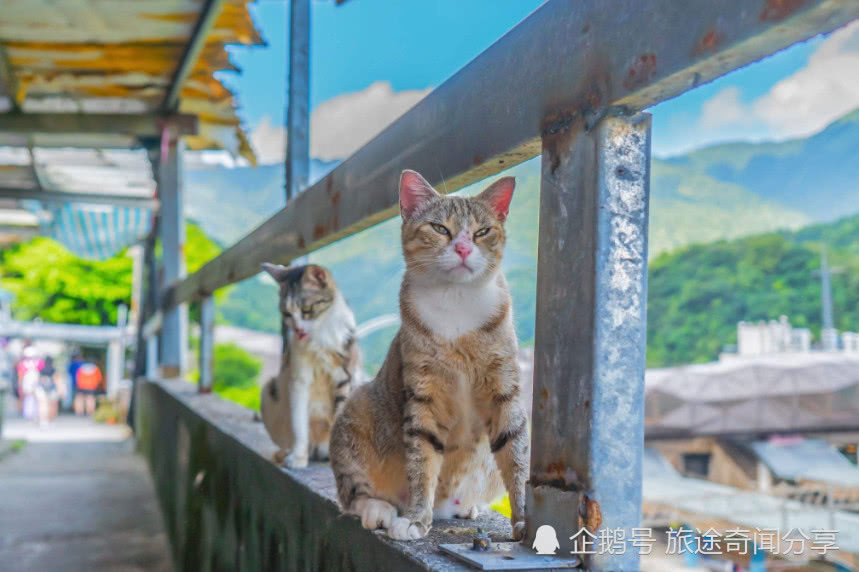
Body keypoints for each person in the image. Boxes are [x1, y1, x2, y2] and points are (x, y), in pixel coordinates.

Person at [17, 346, 43, 422]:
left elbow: (20, 375)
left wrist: (20, 385)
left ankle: (28, 414)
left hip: (28, 383)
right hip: (36, 382)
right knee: (36, 398)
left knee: (28, 398)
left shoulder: (22, 364)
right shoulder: (39, 362)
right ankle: (34, 414)